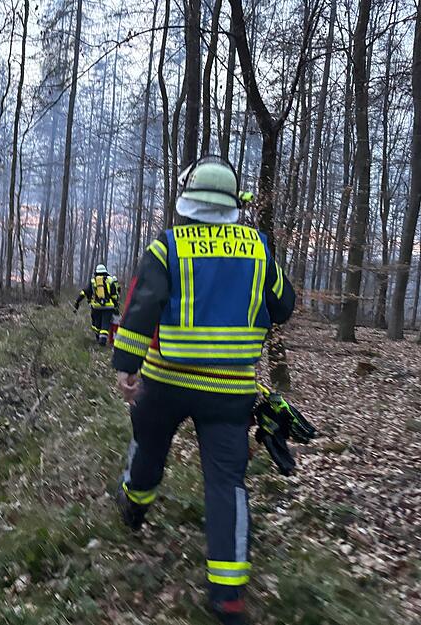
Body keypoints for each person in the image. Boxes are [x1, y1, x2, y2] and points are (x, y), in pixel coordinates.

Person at [111, 156, 295, 625]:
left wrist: (126, 367)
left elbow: (140, 309)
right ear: (234, 205)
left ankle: (134, 506)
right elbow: (285, 304)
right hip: (230, 393)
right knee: (227, 484)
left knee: (148, 448)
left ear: (189, 201)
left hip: (166, 383)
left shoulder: (166, 247)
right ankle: (228, 597)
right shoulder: (258, 250)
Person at [74, 264, 120, 345]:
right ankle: (102, 341)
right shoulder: (110, 280)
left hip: (96, 307)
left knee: (96, 324)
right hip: (108, 307)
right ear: (105, 272)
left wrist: (77, 302)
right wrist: (116, 305)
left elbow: (84, 292)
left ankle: (98, 337)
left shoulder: (93, 281)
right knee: (105, 324)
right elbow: (114, 295)